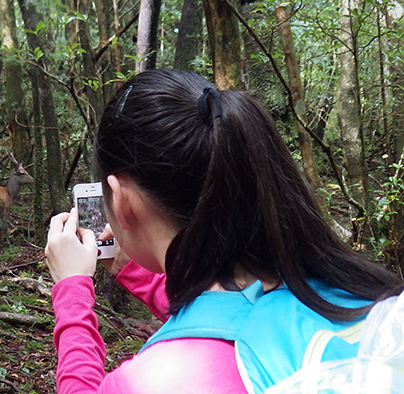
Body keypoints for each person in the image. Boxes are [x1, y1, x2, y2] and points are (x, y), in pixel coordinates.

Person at [45, 69, 404, 394]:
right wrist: (134, 267)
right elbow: (230, 317)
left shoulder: (151, 381)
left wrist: (72, 290)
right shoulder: (359, 295)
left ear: (121, 201)